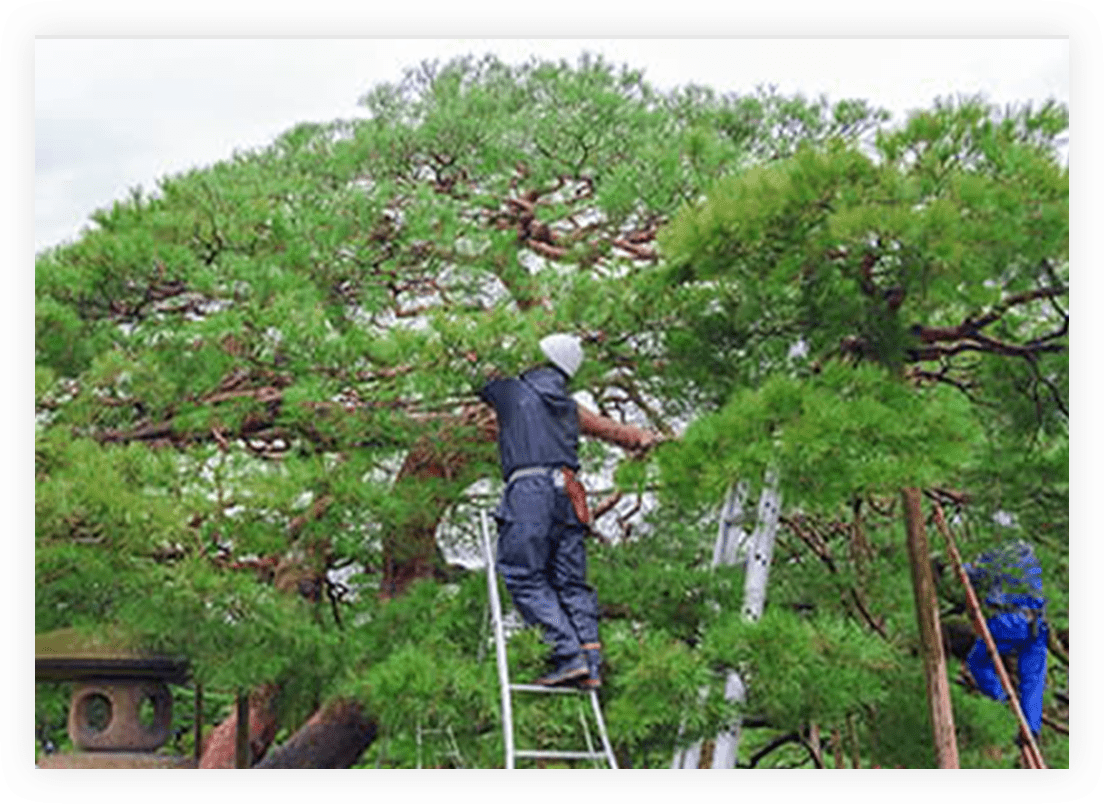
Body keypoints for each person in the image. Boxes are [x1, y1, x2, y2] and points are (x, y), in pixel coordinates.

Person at [478, 333, 661, 688]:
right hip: (571, 491)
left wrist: (477, 351)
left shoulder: (514, 391)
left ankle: (567, 653)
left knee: (523, 573)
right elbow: (612, 430)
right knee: (571, 582)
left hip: (531, 491)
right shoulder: (568, 406)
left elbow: (476, 374)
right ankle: (590, 661)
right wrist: (641, 437)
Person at [962, 540, 1048, 746]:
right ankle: (1032, 729)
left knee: (978, 662)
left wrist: (951, 568)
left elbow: (974, 575)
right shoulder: (1029, 552)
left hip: (1010, 622)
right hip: (1038, 624)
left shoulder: (996, 550)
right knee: (1033, 679)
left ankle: (1005, 704)